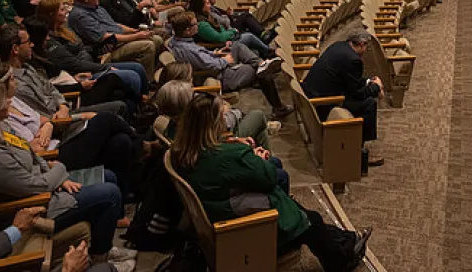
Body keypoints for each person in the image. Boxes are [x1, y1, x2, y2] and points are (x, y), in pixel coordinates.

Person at [0, 79, 135, 271]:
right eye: (2, 99)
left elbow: (31, 154)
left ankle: (103, 245)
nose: (9, 101)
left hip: (45, 182)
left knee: (108, 175)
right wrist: (59, 170)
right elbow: (35, 187)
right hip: (31, 206)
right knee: (110, 193)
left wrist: (53, 172)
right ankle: (101, 258)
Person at [171, 93, 370, 271]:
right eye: (221, 117)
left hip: (221, 211)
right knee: (312, 221)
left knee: (307, 215)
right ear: (213, 125)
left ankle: (347, 239)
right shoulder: (228, 156)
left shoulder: (185, 150)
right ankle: (340, 261)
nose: (225, 120)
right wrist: (258, 159)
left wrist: (234, 145)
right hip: (243, 226)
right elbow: (268, 179)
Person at [0, 61, 146, 206]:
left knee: (120, 141)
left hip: (59, 139)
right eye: (12, 79)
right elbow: (33, 149)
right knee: (106, 119)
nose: (16, 82)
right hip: (52, 157)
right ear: (0, 86)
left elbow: (45, 119)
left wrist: (48, 126)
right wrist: (46, 128)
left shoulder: (15, 101)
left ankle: (129, 197)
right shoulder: (0, 118)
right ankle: (143, 145)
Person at [167, 11, 292, 119]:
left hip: (215, 64)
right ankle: (278, 107)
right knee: (260, 72)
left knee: (237, 46)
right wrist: (225, 60)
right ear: (187, 31)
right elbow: (211, 65)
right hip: (218, 75)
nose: (198, 26)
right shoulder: (188, 49)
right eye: (195, 24)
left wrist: (216, 52)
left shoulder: (176, 41)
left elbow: (202, 57)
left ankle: (261, 63)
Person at [34, 0, 148, 99]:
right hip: (82, 73)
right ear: (52, 14)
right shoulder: (49, 40)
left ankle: (145, 102)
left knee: (137, 67)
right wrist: (104, 67)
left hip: (92, 63)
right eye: (62, 10)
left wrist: (100, 49)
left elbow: (83, 47)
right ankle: (136, 108)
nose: (67, 12)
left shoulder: (65, 29)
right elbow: (74, 64)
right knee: (132, 76)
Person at [302, 30, 384, 167]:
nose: (366, 50)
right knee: (369, 104)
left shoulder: (339, 46)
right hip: (324, 103)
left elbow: (350, 80)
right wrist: (376, 88)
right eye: (366, 46)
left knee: (365, 98)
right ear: (362, 44)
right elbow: (357, 94)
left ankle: (358, 147)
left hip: (313, 93)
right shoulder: (353, 60)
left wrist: (369, 82)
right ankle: (359, 152)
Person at [68, 0, 161, 81]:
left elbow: (115, 25)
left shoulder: (97, 8)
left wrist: (135, 31)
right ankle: (148, 81)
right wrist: (137, 36)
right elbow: (105, 37)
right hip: (110, 49)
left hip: (121, 39)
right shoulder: (80, 15)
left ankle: (155, 75)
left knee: (157, 39)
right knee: (148, 45)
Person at [156, 79, 277, 151]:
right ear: (187, 104)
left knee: (257, 127)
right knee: (257, 116)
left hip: (219, 142)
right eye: (192, 96)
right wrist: (233, 138)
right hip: (223, 143)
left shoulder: (171, 127)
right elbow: (217, 136)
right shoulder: (195, 124)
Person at [189, 0, 273, 58]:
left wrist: (228, 34)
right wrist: (232, 32)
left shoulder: (208, 16)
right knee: (249, 37)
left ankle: (265, 53)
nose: (210, 6)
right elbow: (219, 38)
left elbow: (221, 28)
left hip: (226, 42)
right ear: (201, 7)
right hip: (219, 48)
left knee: (248, 36)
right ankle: (269, 52)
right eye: (207, 4)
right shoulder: (202, 24)